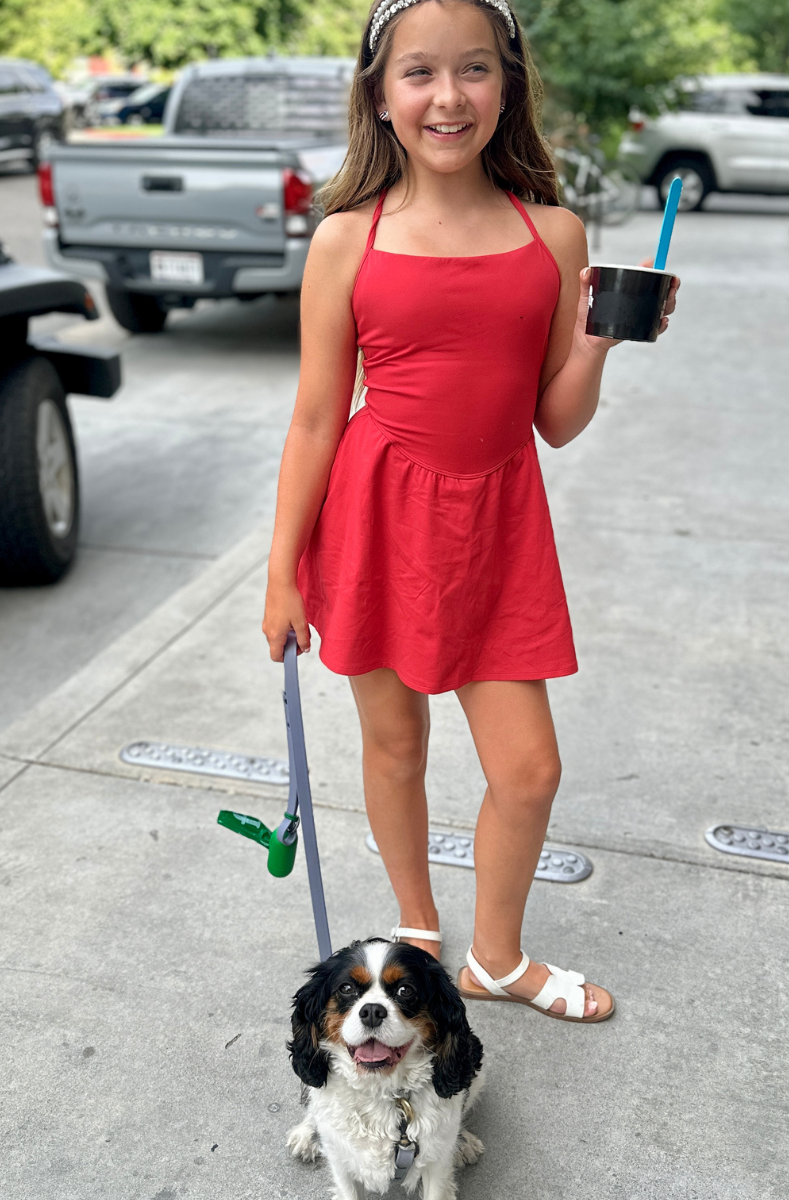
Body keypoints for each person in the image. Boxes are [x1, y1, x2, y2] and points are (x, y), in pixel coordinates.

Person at [263, 0, 678, 1023]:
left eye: (474, 71)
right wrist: (281, 571)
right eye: (419, 74)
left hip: (497, 524)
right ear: (381, 94)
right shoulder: (347, 240)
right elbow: (318, 418)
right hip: (375, 514)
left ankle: (497, 957)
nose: (448, 97)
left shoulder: (555, 233)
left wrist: (598, 343)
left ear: (508, 83)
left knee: (529, 769)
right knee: (394, 745)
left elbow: (557, 422)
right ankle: (417, 923)